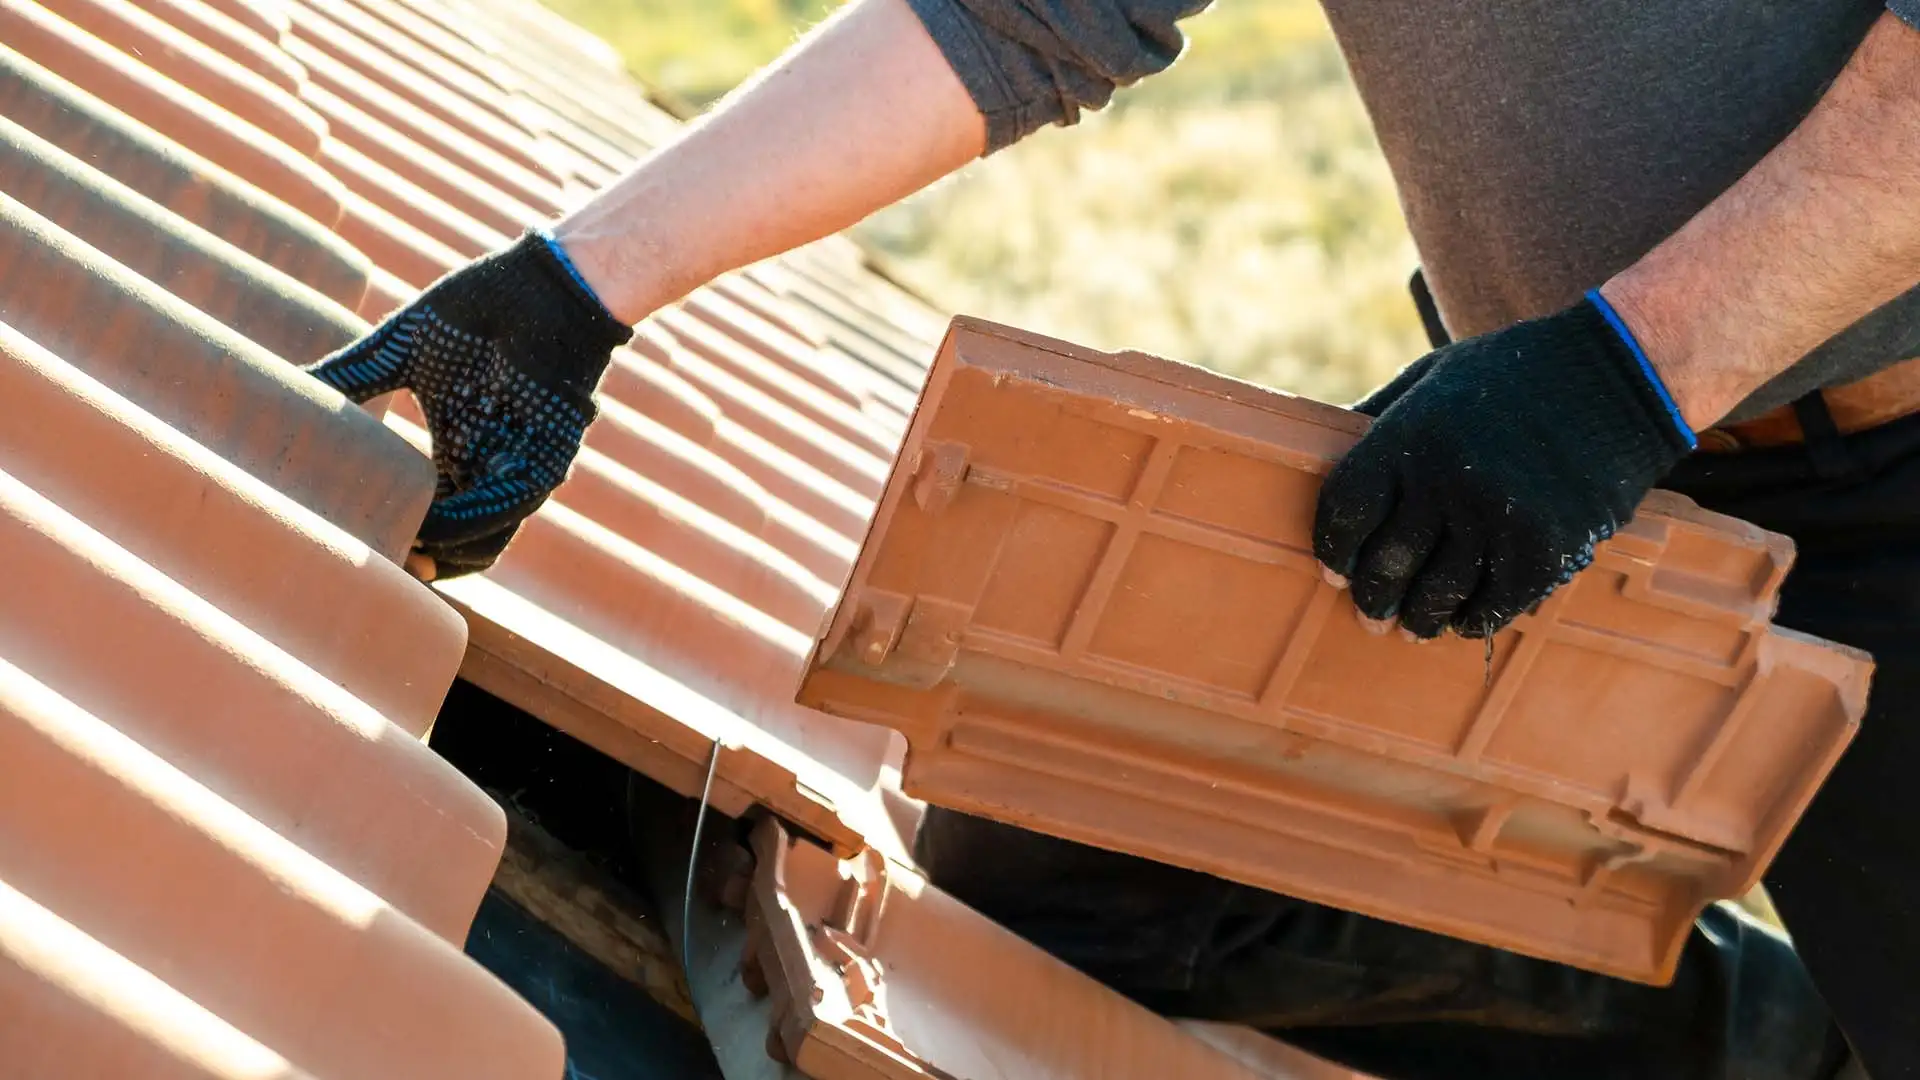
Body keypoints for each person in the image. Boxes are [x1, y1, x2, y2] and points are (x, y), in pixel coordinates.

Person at [305, 1, 1920, 1075]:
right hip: (1571, 436)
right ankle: (1768, 1041)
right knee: (1080, 863)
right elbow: (1032, 9)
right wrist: (573, 291)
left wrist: (1633, 368)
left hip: (1809, 443)